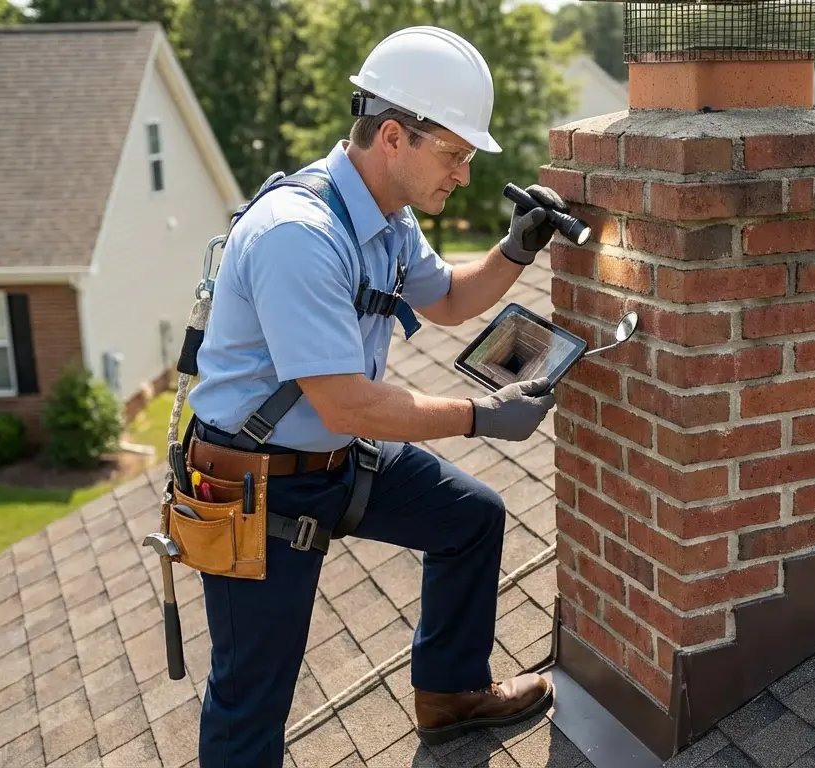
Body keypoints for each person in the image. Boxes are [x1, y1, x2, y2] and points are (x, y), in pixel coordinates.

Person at [184, 25, 566, 767]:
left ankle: (451, 696)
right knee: (251, 697)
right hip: (257, 489)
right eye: (454, 154)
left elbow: (451, 299)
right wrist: (484, 416)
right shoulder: (299, 233)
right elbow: (348, 405)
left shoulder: (386, 219)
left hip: (332, 462)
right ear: (394, 136)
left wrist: (520, 246)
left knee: (470, 519)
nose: (462, 174)